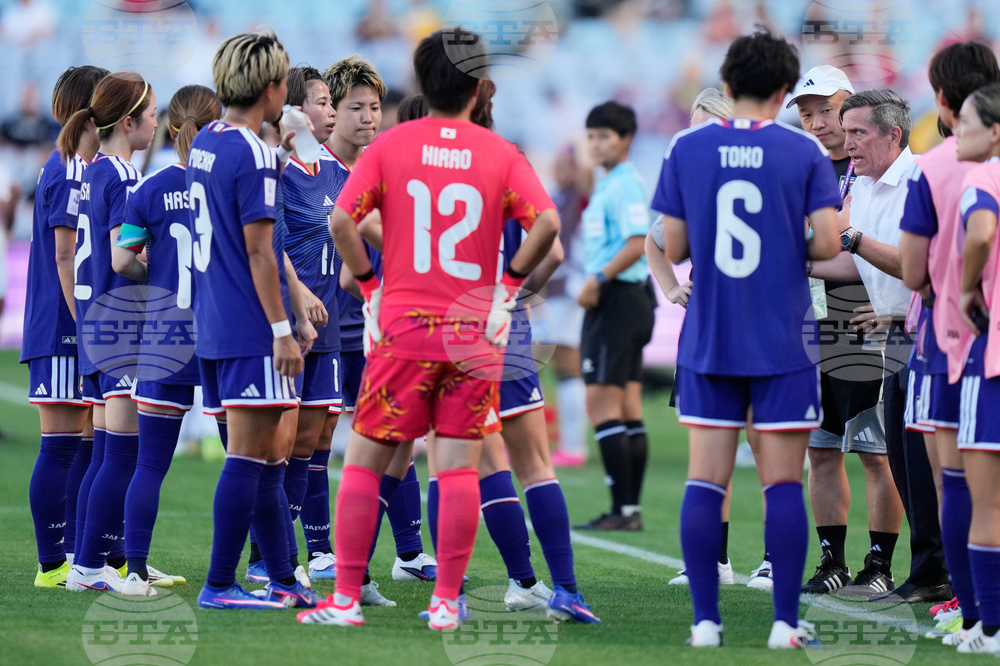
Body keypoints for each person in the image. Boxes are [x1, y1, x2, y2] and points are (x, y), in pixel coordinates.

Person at [296, 27, 559, 630]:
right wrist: (507, 287)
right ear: (478, 87)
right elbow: (545, 224)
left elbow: (342, 220)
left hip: (406, 328)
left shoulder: (394, 144)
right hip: (473, 332)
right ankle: (445, 600)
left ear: (420, 80)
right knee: (458, 465)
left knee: (365, 462)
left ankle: (344, 600)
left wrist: (369, 287)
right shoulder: (501, 152)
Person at [653, 27, 841, 648]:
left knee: (706, 479)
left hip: (711, 335)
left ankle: (705, 622)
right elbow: (827, 244)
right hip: (782, 337)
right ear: (786, 89)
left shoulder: (688, 149)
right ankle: (785, 623)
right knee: (782, 482)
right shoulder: (805, 153)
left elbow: (672, 247)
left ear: (728, 86)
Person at [392, 86, 599, 623]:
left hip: (442, 330)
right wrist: (516, 295)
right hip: (505, 326)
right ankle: (563, 589)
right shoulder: (509, 158)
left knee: (450, 468)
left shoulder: (415, 165)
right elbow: (551, 248)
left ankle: (450, 597)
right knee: (532, 463)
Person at [191, 29, 316, 611]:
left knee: (268, 460)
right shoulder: (258, 155)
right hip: (249, 328)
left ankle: (283, 577)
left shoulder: (207, 142)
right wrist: (282, 330)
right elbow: (261, 252)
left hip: (214, 323)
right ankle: (220, 583)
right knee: (248, 457)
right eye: (286, 81)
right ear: (272, 88)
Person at [813, 87, 953, 604]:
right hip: (896, 335)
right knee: (903, 459)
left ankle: (944, 574)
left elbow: (920, 265)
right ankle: (929, 573)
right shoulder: (866, 184)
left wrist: (851, 240)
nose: (846, 143)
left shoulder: (918, 180)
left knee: (928, 463)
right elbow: (860, 262)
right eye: (845, 132)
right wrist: (799, 263)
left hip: (927, 335)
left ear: (894, 135)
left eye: (858, 133)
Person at [316, 55, 436, 588]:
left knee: (399, 438)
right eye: (355, 107)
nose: (368, 117)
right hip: (317, 329)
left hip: (369, 329)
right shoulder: (306, 171)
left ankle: (408, 552)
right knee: (306, 445)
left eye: (373, 107)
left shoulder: (384, 168)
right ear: (330, 113)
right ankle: (319, 553)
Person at [788, 66, 903, 598]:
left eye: (825, 110)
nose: (816, 122)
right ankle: (831, 559)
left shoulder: (875, 169)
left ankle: (880, 563)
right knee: (821, 448)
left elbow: (863, 254)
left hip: (866, 322)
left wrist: (797, 260)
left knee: (877, 452)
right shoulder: (802, 164)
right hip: (816, 325)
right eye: (805, 112)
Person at [898, 42, 1000, 633]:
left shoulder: (936, 164)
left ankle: (973, 612)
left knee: (956, 480)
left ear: (941, 97)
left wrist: (959, 285)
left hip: (951, 334)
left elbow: (914, 272)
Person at [655, 88, 773, 590]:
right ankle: (715, 561)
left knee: (765, 443)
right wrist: (670, 287)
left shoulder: (764, 166)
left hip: (757, 319)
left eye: (704, 125)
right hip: (707, 320)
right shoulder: (691, 171)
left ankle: (771, 559)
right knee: (709, 443)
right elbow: (655, 238)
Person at [110, 84, 223, 596]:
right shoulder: (229, 180)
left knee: (149, 464)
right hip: (224, 330)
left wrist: (151, 272)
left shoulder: (151, 187)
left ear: (172, 128)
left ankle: (133, 571)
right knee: (249, 462)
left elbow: (121, 260)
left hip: (165, 332)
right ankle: (260, 568)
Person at [59, 71, 165, 593]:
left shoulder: (95, 171)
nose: (156, 124)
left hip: (95, 324)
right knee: (122, 454)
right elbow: (127, 260)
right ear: (129, 122)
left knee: (104, 452)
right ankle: (87, 567)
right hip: (119, 325)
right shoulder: (123, 178)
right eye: (151, 116)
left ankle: (87, 559)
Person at [22, 65, 106, 588]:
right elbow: (64, 257)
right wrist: (89, 325)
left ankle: (87, 556)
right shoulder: (65, 169)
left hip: (78, 325)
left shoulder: (80, 166)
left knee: (92, 443)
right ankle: (51, 563)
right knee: (60, 444)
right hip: (62, 328)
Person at [574, 101, 656, 532]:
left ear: (625, 140)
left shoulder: (625, 184)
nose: (596, 144)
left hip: (618, 298)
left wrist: (597, 279)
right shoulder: (611, 183)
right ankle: (627, 511)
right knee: (625, 403)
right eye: (591, 136)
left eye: (604, 136)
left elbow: (637, 239)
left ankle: (623, 509)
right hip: (628, 298)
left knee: (601, 401)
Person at [954, 82, 1000, 653]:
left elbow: (982, 232)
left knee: (985, 501)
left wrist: (966, 288)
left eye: (966, 121)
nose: (956, 131)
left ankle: (988, 627)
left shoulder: (982, 176)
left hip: (992, 359)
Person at [534, 145, 589, 468]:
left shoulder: (582, 198)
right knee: (542, 362)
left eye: (567, 164)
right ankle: (560, 444)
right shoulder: (557, 197)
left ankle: (571, 445)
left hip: (569, 290)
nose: (560, 170)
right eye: (557, 164)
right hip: (554, 289)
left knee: (559, 362)